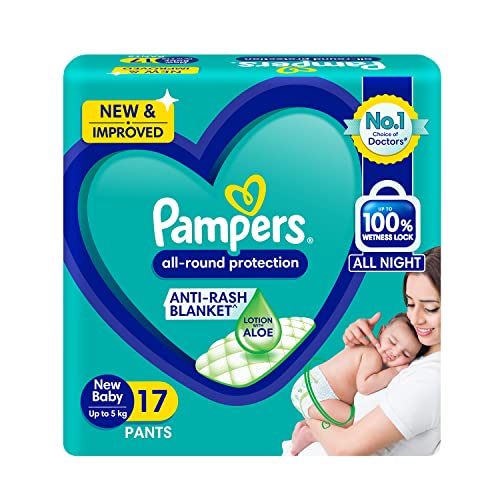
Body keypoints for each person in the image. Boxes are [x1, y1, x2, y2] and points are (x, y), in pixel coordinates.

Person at [282, 246, 441, 456]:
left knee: (351, 419)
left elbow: (345, 449)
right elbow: (363, 385)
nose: (415, 319)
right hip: (316, 393)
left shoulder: (432, 377)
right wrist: (354, 346)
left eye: (431, 308)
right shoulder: (417, 350)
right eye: (410, 304)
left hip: (316, 404)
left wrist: (314, 425)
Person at [290, 312, 424, 455]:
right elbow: (365, 386)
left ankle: (303, 436)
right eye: (392, 342)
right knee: (355, 423)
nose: (395, 352)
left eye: (405, 354)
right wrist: (395, 371)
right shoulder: (372, 355)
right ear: (381, 332)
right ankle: (310, 432)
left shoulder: (366, 349)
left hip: (313, 384)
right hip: (318, 392)